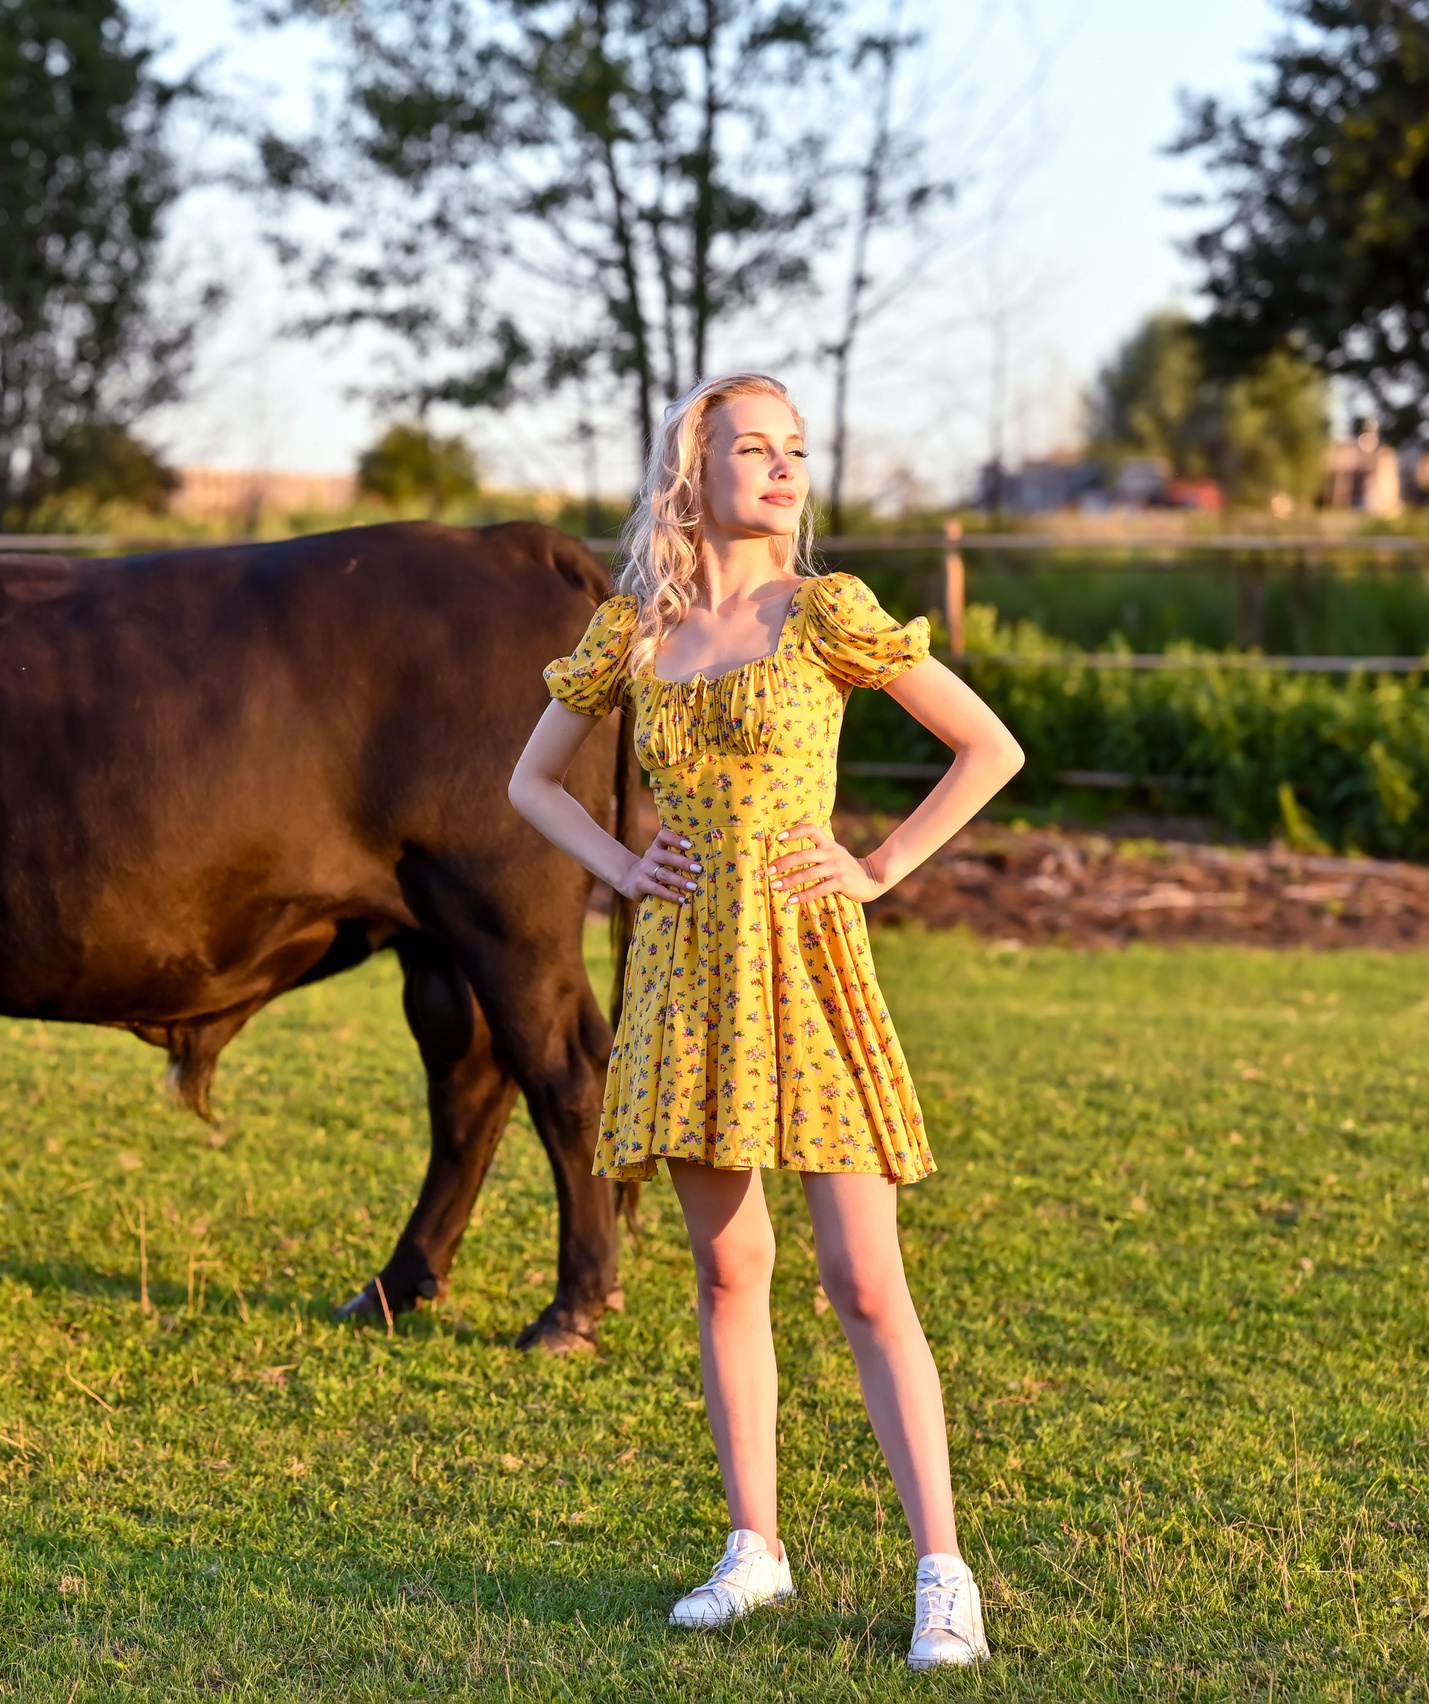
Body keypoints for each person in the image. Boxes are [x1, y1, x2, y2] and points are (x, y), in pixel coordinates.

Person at [507, 373, 1024, 1671]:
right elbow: (528, 781)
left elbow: (988, 748)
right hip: (686, 967)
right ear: (700, 467)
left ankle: (941, 1573)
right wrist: (623, 868)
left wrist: (879, 865)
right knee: (729, 1271)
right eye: (756, 448)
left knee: (863, 1281)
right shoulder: (639, 628)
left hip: (808, 962)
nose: (787, 470)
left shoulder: (825, 612)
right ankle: (756, 1547)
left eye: (797, 450)